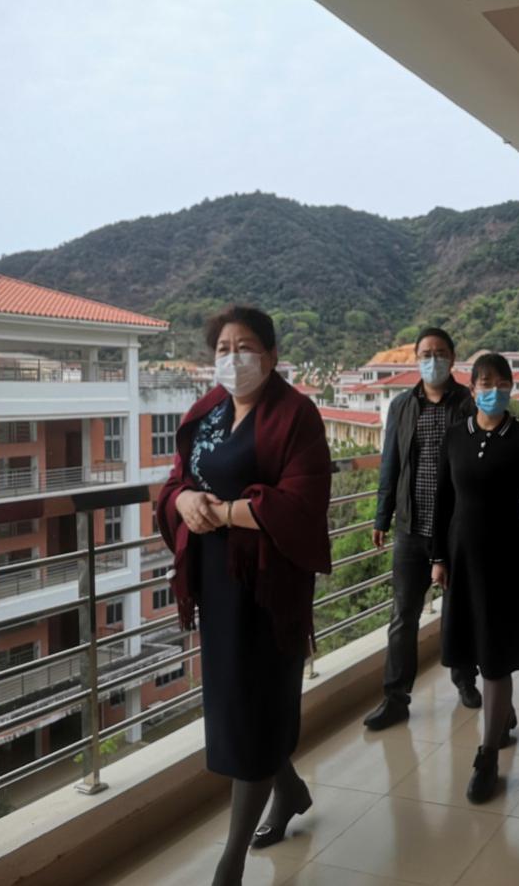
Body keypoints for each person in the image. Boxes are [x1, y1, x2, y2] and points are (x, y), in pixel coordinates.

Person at [155, 305, 333, 886]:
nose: (234, 358)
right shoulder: (207, 412)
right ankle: (291, 792)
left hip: (269, 588)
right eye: (224, 349)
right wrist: (184, 501)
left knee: (258, 704)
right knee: (239, 703)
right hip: (217, 583)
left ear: (272, 355)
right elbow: (177, 480)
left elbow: (304, 500)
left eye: (246, 346)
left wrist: (227, 512)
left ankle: (229, 865)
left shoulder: (296, 415)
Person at [430, 353, 519, 803]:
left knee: (496, 656)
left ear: (511, 387)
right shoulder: (454, 436)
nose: (493, 389)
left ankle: (488, 755)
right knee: (475, 646)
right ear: (473, 387)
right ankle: (504, 714)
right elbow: (443, 500)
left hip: (506, 560)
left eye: (501, 382)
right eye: (485, 382)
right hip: (462, 559)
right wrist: (438, 557)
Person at [363, 328, 479, 731]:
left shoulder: (467, 403)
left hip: (455, 528)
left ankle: (465, 680)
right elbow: (390, 462)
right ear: (416, 359)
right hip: (411, 529)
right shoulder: (401, 405)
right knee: (403, 615)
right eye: (426, 353)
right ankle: (395, 697)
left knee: (459, 610)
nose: (433, 360)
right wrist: (381, 516)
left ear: (453, 358)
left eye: (440, 352)